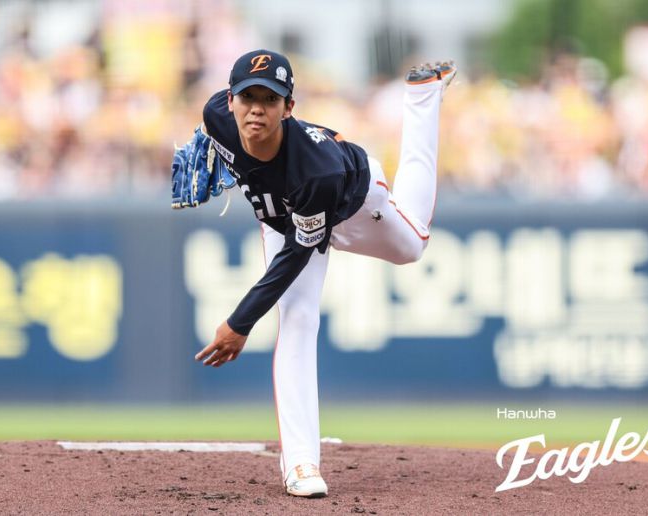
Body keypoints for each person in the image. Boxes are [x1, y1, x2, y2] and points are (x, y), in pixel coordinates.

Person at [187, 49, 455, 497]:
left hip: (353, 201)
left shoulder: (318, 171)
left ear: (289, 107)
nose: (256, 109)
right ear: (229, 101)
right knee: (297, 318)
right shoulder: (216, 116)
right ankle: (301, 463)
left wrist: (239, 322)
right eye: (247, 97)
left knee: (413, 246)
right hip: (283, 216)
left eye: (270, 100)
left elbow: (296, 254)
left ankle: (423, 98)